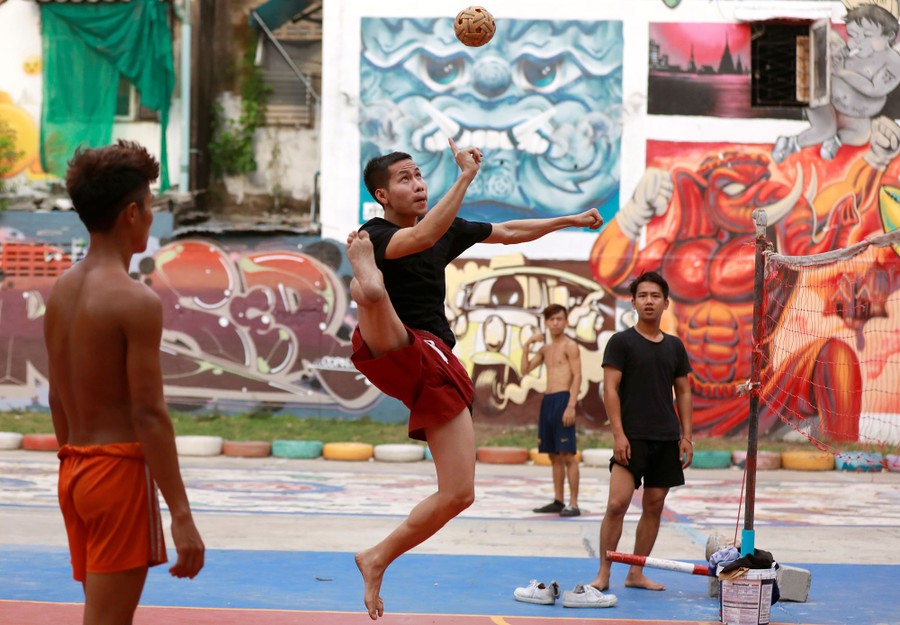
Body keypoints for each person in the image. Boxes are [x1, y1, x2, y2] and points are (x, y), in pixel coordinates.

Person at [348, 139, 603, 620]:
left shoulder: (445, 230)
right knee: (378, 300)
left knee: (459, 493)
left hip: (436, 361)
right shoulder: (375, 233)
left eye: (420, 174)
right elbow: (420, 239)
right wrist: (464, 176)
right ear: (382, 195)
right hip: (395, 341)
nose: (419, 183)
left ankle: (376, 557)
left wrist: (567, 220)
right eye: (406, 178)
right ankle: (368, 287)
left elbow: (507, 231)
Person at [43, 140, 205, 624]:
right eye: (152, 206)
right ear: (131, 213)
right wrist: (181, 514)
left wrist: (78, 464)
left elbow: (56, 396)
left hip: (74, 469)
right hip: (116, 475)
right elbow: (149, 413)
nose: (152, 217)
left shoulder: (61, 291)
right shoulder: (134, 301)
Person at [588, 271, 693, 595]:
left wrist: (686, 436)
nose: (649, 301)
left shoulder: (675, 346)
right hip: (630, 438)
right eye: (643, 296)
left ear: (665, 303)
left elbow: (684, 392)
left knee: (654, 505)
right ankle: (604, 572)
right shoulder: (621, 342)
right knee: (617, 504)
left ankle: (636, 571)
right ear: (633, 302)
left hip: (665, 438)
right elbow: (610, 389)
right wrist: (618, 435)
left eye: (655, 296)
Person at [772, 3, 900, 162]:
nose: (858, 42)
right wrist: (834, 57)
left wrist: (842, 72)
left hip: (855, 114)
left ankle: (836, 140)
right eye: (853, 35)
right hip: (826, 99)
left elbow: (874, 88)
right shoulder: (851, 51)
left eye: (866, 35)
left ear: (888, 36)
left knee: (862, 133)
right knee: (826, 128)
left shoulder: (893, 63)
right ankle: (790, 143)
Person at [522, 304, 583, 517]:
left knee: (567, 454)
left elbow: (577, 375)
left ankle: (573, 503)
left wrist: (571, 405)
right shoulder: (545, 349)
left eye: (559, 319)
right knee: (553, 455)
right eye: (552, 319)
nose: (555, 323)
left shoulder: (570, 346)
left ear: (566, 322)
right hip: (548, 401)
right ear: (546, 323)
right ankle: (558, 500)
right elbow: (525, 370)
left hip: (563, 398)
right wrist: (527, 345)